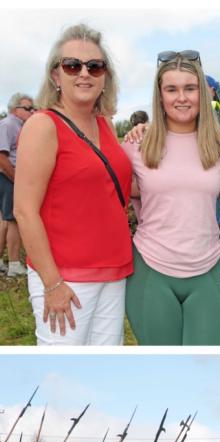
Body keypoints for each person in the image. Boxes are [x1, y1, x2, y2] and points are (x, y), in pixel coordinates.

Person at [15, 24, 132, 345]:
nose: (85, 74)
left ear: (105, 76)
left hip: (114, 271)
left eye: (95, 66)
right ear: (56, 75)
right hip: (66, 276)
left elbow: (117, 190)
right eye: (72, 66)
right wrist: (52, 283)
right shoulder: (43, 125)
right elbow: (24, 210)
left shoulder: (105, 124)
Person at [120, 52, 220, 345]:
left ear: (203, 93)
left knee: (208, 364)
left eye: (190, 88)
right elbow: (115, 196)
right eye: (172, 89)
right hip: (151, 268)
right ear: (159, 96)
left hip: (206, 268)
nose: (181, 98)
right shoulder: (136, 145)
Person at [0, 93, 34, 277]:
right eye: (28, 108)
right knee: (14, 219)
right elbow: (1, 156)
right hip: (8, 176)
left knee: (5, 220)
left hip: (8, 177)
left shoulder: (17, 125)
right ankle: (14, 264)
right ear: (15, 109)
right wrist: (16, 178)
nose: (32, 111)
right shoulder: (9, 124)